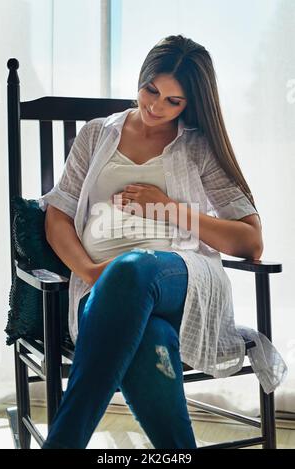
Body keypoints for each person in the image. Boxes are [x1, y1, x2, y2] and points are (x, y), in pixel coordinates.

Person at [39, 34, 264, 449]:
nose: (156, 107)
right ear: (141, 79)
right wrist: (89, 271)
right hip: (100, 287)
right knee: (148, 339)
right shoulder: (95, 135)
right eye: (151, 90)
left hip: (183, 279)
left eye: (173, 102)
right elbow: (58, 217)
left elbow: (251, 241)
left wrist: (170, 208)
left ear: (191, 104)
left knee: (134, 267)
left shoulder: (198, 146)